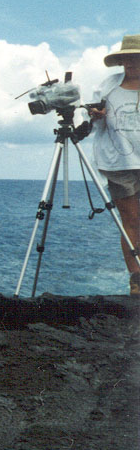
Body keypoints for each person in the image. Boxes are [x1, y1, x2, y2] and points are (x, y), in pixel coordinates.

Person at [89, 33, 140, 297]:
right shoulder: (107, 86)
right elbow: (94, 121)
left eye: (136, 58)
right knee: (131, 221)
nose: (131, 63)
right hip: (119, 163)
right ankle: (136, 280)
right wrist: (96, 115)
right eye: (127, 59)